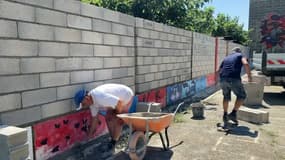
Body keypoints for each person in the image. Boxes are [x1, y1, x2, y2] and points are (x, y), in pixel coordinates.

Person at [74, 83, 134, 148]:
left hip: (126, 96)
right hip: (116, 100)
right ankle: (113, 139)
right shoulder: (92, 104)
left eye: (83, 104)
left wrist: (120, 115)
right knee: (108, 118)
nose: (83, 107)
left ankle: (114, 142)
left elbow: (119, 103)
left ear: (87, 98)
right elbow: (94, 121)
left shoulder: (100, 97)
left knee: (118, 120)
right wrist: (87, 139)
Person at [219, 47, 252, 124]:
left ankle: (225, 115)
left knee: (226, 96)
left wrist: (218, 80)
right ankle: (233, 114)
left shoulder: (226, 58)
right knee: (242, 95)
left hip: (223, 78)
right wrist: (249, 77)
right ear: (239, 52)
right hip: (234, 78)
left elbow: (219, 70)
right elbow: (246, 64)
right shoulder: (240, 55)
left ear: (232, 52)